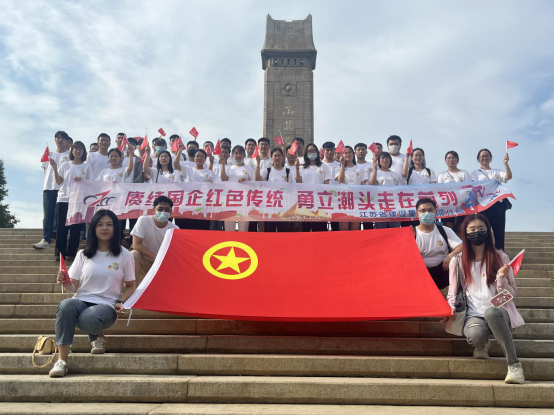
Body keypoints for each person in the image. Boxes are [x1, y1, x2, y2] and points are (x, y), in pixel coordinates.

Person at [50, 210, 136, 378]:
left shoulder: (124, 255)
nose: (104, 228)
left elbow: (131, 286)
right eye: (100, 224)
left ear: (116, 228)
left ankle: (98, 334)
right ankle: (62, 360)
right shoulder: (83, 254)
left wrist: (120, 301)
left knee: (88, 318)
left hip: (107, 305)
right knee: (65, 305)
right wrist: (65, 282)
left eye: (109, 224)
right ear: (93, 228)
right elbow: (73, 288)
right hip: (82, 299)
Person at [444, 214, 525, 384]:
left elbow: (512, 293)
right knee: (475, 335)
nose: (477, 232)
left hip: (499, 312)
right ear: (465, 233)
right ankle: (481, 344)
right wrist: (450, 308)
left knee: (491, 313)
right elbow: (452, 291)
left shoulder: (501, 257)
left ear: (488, 231)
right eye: (472, 229)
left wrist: (501, 278)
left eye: (481, 229)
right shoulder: (457, 261)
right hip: (473, 314)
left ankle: (514, 365)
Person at [51, 141, 93, 261]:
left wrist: (82, 180)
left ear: (84, 152)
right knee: (61, 227)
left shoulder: (87, 167)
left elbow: (91, 184)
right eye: (76, 149)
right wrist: (55, 168)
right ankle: (60, 253)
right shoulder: (65, 165)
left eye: (81, 149)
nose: (78, 151)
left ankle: (71, 253)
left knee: (75, 228)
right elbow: (59, 181)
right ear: (72, 151)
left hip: (78, 201)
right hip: (64, 198)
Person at [414, 198, 462, 290]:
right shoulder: (412, 233)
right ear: (417, 214)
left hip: (443, 272)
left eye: (430, 210)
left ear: (435, 212)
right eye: (423, 211)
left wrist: (450, 256)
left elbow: (461, 246)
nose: (427, 213)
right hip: (421, 275)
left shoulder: (444, 230)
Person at [470, 149, 512, 251]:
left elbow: (508, 177)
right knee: (484, 230)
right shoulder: (475, 173)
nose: (485, 158)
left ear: (491, 158)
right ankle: (486, 253)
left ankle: (500, 253)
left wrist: (506, 164)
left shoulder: (497, 171)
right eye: (482, 156)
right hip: (483, 205)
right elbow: (474, 188)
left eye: (487, 156)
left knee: (499, 230)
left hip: (497, 204)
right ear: (478, 159)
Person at [34, 131, 70, 250]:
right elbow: (45, 170)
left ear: (67, 141)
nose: (60, 140)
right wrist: (47, 183)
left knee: (62, 216)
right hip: (48, 188)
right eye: (57, 138)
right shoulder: (49, 155)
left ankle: (62, 239)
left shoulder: (70, 155)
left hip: (63, 189)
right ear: (55, 140)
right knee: (47, 215)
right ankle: (46, 239)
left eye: (62, 138)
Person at [131, 196, 179, 283]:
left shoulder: (175, 229)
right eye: (160, 209)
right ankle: (131, 288)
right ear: (153, 210)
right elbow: (136, 245)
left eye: (167, 209)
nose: (163, 212)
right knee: (134, 254)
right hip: (147, 263)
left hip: (164, 266)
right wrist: (156, 258)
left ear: (171, 212)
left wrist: (161, 262)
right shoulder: (144, 220)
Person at [256, 148, 293, 232]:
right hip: (270, 207)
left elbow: (291, 188)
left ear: (282, 157)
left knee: (283, 231)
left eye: (279, 155)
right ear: (271, 157)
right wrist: (258, 164)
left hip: (283, 207)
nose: (277, 158)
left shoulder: (287, 171)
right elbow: (257, 179)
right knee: (269, 231)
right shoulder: (267, 171)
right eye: (275, 155)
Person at [175, 149, 213, 230]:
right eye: (197, 156)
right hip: (187, 204)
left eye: (202, 156)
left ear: (205, 159)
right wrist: (179, 151)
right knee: (185, 229)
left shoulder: (209, 172)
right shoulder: (188, 169)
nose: (199, 158)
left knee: (201, 230)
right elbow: (176, 164)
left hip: (202, 206)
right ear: (194, 158)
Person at [220, 145, 255, 232]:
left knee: (243, 230)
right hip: (230, 200)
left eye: (241, 153)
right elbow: (223, 179)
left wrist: (245, 181)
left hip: (244, 201)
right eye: (236, 153)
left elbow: (254, 185)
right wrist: (223, 165)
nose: (238, 155)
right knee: (229, 230)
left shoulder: (249, 169)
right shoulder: (229, 168)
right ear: (233, 155)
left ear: (244, 155)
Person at [297, 143, 331, 232]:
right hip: (306, 202)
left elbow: (326, 184)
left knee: (320, 229)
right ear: (306, 153)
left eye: (313, 150)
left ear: (317, 152)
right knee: (306, 229)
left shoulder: (323, 166)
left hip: (320, 202)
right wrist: (296, 168)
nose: (311, 152)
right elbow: (298, 183)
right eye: (309, 151)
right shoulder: (302, 168)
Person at [438, 151, 471, 233]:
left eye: (453, 158)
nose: (451, 160)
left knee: (461, 230)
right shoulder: (442, 175)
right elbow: (440, 190)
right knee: (449, 231)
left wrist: (460, 199)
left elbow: (467, 189)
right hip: (447, 206)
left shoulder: (464, 173)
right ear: (445, 160)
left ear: (457, 160)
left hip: (462, 206)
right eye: (448, 158)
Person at [336, 146, 367, 231]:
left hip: (356, 200)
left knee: (355, 226)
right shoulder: (339, 168)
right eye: (345, 153)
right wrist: (342, 164)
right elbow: (340, 179)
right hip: (344, 200)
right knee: (344, 227)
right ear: (342, 155)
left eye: (350, 152)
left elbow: (363, 185)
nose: (348, 154)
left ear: (353, 154)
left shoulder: (360, 168)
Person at [370, 152, 403, 229]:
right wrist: (375, 169)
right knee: (381, 230)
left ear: (390, 161)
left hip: (394, 206)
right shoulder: (376, 172)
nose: (385, 160)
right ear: (379, 161)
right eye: (382, 158)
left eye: (387, 158)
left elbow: (399, 190)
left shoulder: (395, 174)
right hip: (380, 206)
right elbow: (372, 184)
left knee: (394, 230)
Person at [355, 143, 376, 230]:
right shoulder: (352, 165)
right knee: (355, 224)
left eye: (363, 149)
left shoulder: (371, 165)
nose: (361, 151)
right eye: (358, 149)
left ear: (366, 152)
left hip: (368, 198)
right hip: (355, 198)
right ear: (355, 152)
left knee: (368, 225)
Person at [321, 141, 341, 231]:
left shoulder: (339, 165)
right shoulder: (320, 164)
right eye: (327, 150)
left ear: (334, 151)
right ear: (323, 151)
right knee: (322, 224)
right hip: (322, 199)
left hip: (336, 198)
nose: (329, 152)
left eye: (331, 150)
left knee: (335, 224)